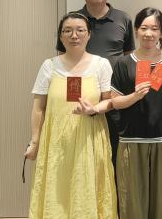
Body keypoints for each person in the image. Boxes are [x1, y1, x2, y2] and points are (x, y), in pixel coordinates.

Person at [26, 12, 117, 219]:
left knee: (87, 187)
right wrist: (34, 142)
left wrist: (94, 109)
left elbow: (110, 101)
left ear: (89, 34)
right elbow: (38, 107)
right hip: (56, 141)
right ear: (60, 36)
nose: (74, 35)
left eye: (80, 30)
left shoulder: (101, 64)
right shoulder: (49, 66)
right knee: (57, 189)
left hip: (89, 138)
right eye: (67, 31)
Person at [110, 7, 162, 219]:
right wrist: (135, 96)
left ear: (161, 32)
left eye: (154, 28)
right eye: (143, 28)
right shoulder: (123, 63)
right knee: (132, 199)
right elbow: (115, 102)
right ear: (136, 30)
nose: (149, 33)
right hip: (131, 138)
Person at [77, 0, 136, 172]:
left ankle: (113, 193)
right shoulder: (74, 20)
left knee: (114, 153)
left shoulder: (123, 18)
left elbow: (129, 57)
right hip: (83, 96)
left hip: (113, 96)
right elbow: (64, 57)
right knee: (82, 152)